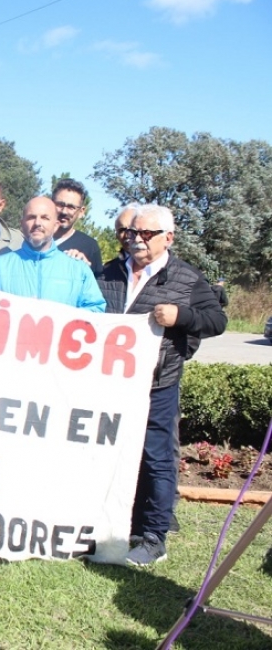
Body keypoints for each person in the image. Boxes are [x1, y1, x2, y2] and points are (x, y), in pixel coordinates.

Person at [98, 203, 226, 566]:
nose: (137, 239)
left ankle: (153, 536)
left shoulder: (186, 278)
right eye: (134, 232)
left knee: (156, 458)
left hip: (158, 384)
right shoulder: (109, 272)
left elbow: (216, 321)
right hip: (110, 383)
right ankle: (112, 526)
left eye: (148, 234)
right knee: (112, 453)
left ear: (168, 238)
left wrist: (181, 316)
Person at [0, 196, 105, 311]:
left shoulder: (78, 269)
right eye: (31, 217)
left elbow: (95, 311)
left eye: (45, 218)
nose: (37, 223)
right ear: (22, 224)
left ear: (55, 225)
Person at [52, 178, 103, 276]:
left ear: (81, 211)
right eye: (59, 205)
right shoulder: (34, 240)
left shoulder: (90, 247)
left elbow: (95, 286)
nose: (64, 211)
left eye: (71, 207)